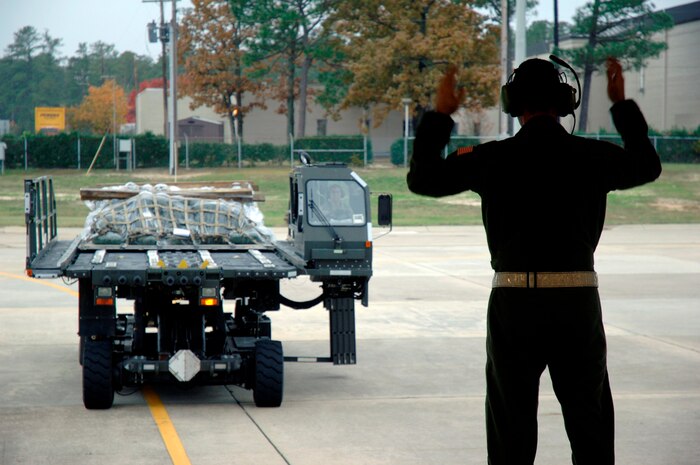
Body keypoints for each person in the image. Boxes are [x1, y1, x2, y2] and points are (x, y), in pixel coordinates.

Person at [407, 56, 661, 465]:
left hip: (514, 305)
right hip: (577, 304)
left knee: (511, 426)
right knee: (589, 422)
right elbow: (648, 165)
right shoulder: (594, 157)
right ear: (566, 103)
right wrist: (622, 105)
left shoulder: (491, 159)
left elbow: (423, 179)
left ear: (513, 103)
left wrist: (440, 115)